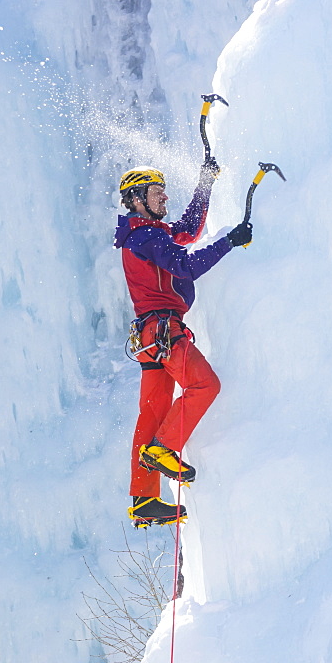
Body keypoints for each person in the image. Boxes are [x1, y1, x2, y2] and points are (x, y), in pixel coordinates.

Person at [114, 161, 251, 526]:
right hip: (164, 332)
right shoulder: (147, 238)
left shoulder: (145, 235)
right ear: (138, 199)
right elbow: (186, 266)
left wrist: (205, 184)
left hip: (150, 338)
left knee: (152, 414)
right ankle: (163, 449)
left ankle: (144, 500)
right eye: (157, 193)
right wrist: (229, 243)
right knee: (205, 384)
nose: (165, 197)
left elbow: (188, 231)